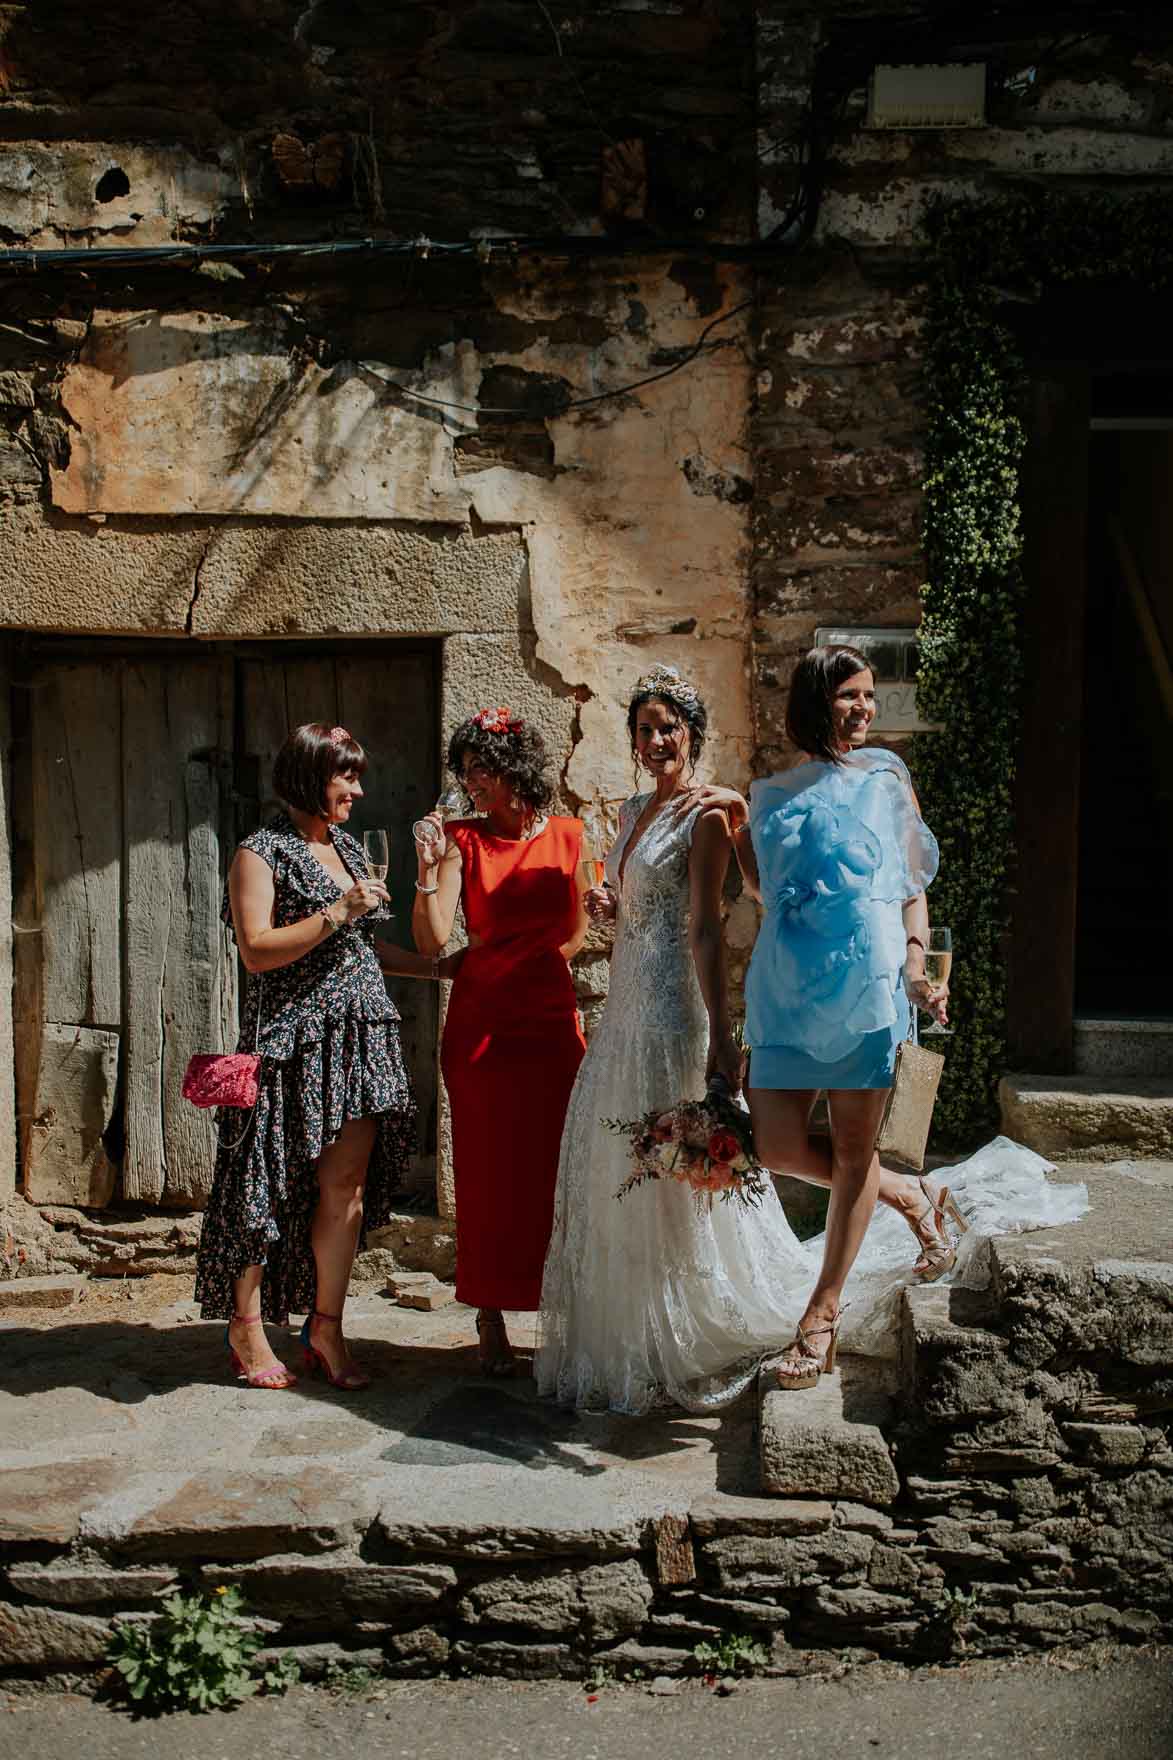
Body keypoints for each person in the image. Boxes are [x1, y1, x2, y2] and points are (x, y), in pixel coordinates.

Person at [535, 666, 813, 1414]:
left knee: (673, 1162)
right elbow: (631, 903)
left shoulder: (706, 816)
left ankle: (687, 1318)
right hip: (623, 1001)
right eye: (643, 729)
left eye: (668, 728)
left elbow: (703, 928)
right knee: (620, 1156)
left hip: (671, 1010)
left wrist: (722, 1036)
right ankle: (631, 1327)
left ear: (692, 733)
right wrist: (607, 899)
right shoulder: (628, 812)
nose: (655, 740)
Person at [194, 723, 460, 1392]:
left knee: (344, 1191)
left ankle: (325, 1326)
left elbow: (362, 951)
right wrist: (340, 910)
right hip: (292, 1039)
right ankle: (246, 1324)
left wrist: (438, 969)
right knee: (266, 1183)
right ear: (312, 778)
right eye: (348, 777)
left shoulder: (345, 845)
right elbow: (257, 949)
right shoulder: (260, 853)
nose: (359, 790)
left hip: (360, 1039)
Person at [731, 646, 948, 1389]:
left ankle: (821, 1313)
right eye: (848, 695)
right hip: (785, 987)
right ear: (814, 701)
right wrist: (736, 841)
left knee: (855, 1152)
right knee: (775, 1146)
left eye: (868, 696)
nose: (863, 708)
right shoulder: (766, 793)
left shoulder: (887, 777)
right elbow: (764, 892)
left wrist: (916, 964)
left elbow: (910, 882)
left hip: (869, 985)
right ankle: (906, 1193)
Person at [412, 707, 589, 1375]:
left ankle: (564, 1309)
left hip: (547, 1018)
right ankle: (488, 1315)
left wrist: (534, 962)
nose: (469, 781)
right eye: (464, 771)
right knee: (486, 1174)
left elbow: (576, 932)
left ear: (512, 768)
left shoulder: (572, 836)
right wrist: (427, 868)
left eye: (479, 769)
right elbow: (432, 941)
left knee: (556, 1169)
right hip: (481, 1022)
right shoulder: (460, 839)